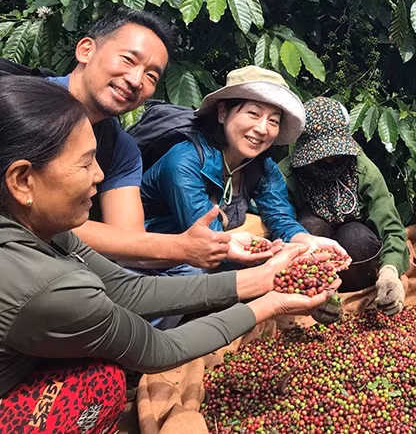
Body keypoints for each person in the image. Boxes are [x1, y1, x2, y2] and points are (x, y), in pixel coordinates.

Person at [0, 77, 334, 432]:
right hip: (159, 260)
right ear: (21, 181)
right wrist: (270, 304)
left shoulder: (48, 230)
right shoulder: (54, 288)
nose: (99, 175)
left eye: (273, 120)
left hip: (164, 269)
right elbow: (159, 350)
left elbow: (128, 291)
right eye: (85, 164)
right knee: (104, 382)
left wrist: (265, 277)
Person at [48, 9, 247, 270]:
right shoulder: (20, 105)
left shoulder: (121, 149)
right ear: (86, 50)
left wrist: (203, 247)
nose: (135, 80)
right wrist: (180, 248)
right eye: (128, 60)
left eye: (151, 75)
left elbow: (131, 245)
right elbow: (30, 220)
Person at [140, 66, 345, 278]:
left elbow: (279, 216)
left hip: (211, 252)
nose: (262, 128)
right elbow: (208, 240)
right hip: (152, 261)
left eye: (273, 121)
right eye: (253, 114)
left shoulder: (262, 166)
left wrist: (304, 239)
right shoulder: (184, 162)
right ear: (222, 113)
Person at [279, 97, 408, 317]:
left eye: (334, 153)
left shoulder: (363, 170)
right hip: (312, 259)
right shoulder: (287, 175)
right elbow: (276, 225)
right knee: (309, 227)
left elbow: (391, 227)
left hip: (357, 257)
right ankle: (317, 293)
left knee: (355, 236)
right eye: (320, 156)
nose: (329, 160)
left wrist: (390, 270)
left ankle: (356, 288)